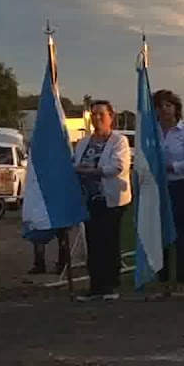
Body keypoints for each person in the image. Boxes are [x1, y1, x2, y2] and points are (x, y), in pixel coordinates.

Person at [72, 101, 132, 301]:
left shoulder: (119, 141)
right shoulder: (84, 143)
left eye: (101, 114)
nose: (97, 118)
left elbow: (118, 166)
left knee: (108, 241)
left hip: (111, 199)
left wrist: (93, 171)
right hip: (89, 199)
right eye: (94, 115)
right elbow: (76, 163)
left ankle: (110, 284)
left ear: (111, 117)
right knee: (93, 242)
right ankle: (96, 285)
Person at [154, 89, 184, 295]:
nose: (164, 109)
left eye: (168, 105)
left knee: (182, 233)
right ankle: (162, 280)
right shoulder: (152, 131)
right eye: (160, 106)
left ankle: (182, 279)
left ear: (175, 108)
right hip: (159, 186)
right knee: (160, 234)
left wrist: (171, 167)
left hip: (182, 185)